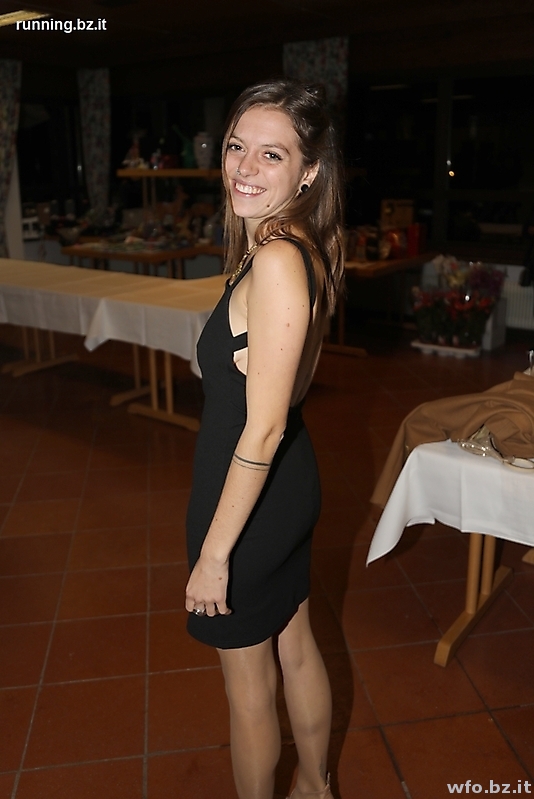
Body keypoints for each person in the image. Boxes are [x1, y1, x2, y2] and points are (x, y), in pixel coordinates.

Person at [185, 78, 345, 799]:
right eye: (236, 147)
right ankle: (315, 786)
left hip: (248, 498)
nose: (244, 167)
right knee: (296, 646)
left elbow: (267, 423)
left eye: (271, 154)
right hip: (283, 484)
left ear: (308, 172)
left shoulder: (277, 258)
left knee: (249, 689)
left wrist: (214, 555)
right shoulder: (298, 245)